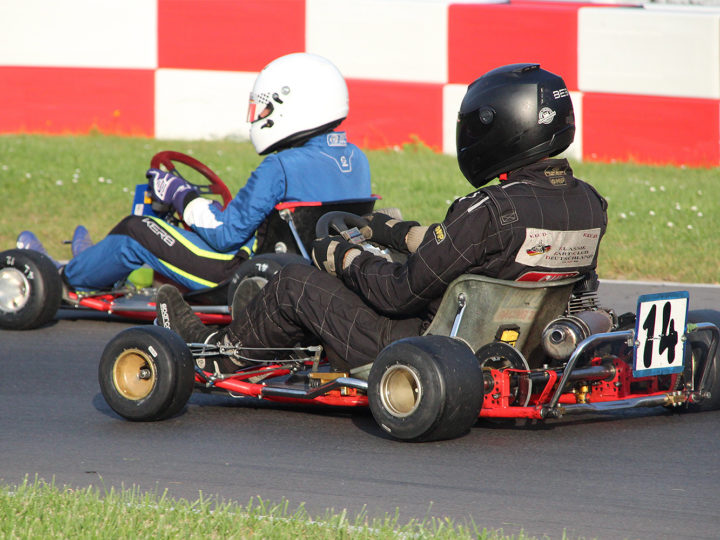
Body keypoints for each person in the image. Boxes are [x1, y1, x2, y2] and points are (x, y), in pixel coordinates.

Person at [156, 63, 608, 375]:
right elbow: (470, 255)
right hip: (513, 344)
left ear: (506, 127)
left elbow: (398, 293)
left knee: (296, 282)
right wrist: (389, 231)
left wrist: (344, 257)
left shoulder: (491, 208)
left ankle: (217, 357)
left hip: (419, 343)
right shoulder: (589, 203)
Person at [17, 53, 371, 291]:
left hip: (238, 274)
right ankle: (91, 263)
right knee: (173, 228)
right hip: (307, 271)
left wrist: (181, 195)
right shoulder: (356, 159)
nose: (259, 117)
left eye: (264, 109)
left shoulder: (279, 166)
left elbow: (225, 237)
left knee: (136, 230)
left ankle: (60, 277)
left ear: (291, 107)